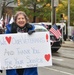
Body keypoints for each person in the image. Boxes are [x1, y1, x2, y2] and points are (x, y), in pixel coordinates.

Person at [5, 11, 38, 75]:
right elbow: (4, 49)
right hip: (13, 64)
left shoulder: (32, 30)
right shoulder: (9, 31)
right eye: (19, 18)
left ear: (26, 20)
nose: (21, 20)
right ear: (15, 20)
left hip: (29, 65)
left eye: (23, 18)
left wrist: (33, 35)